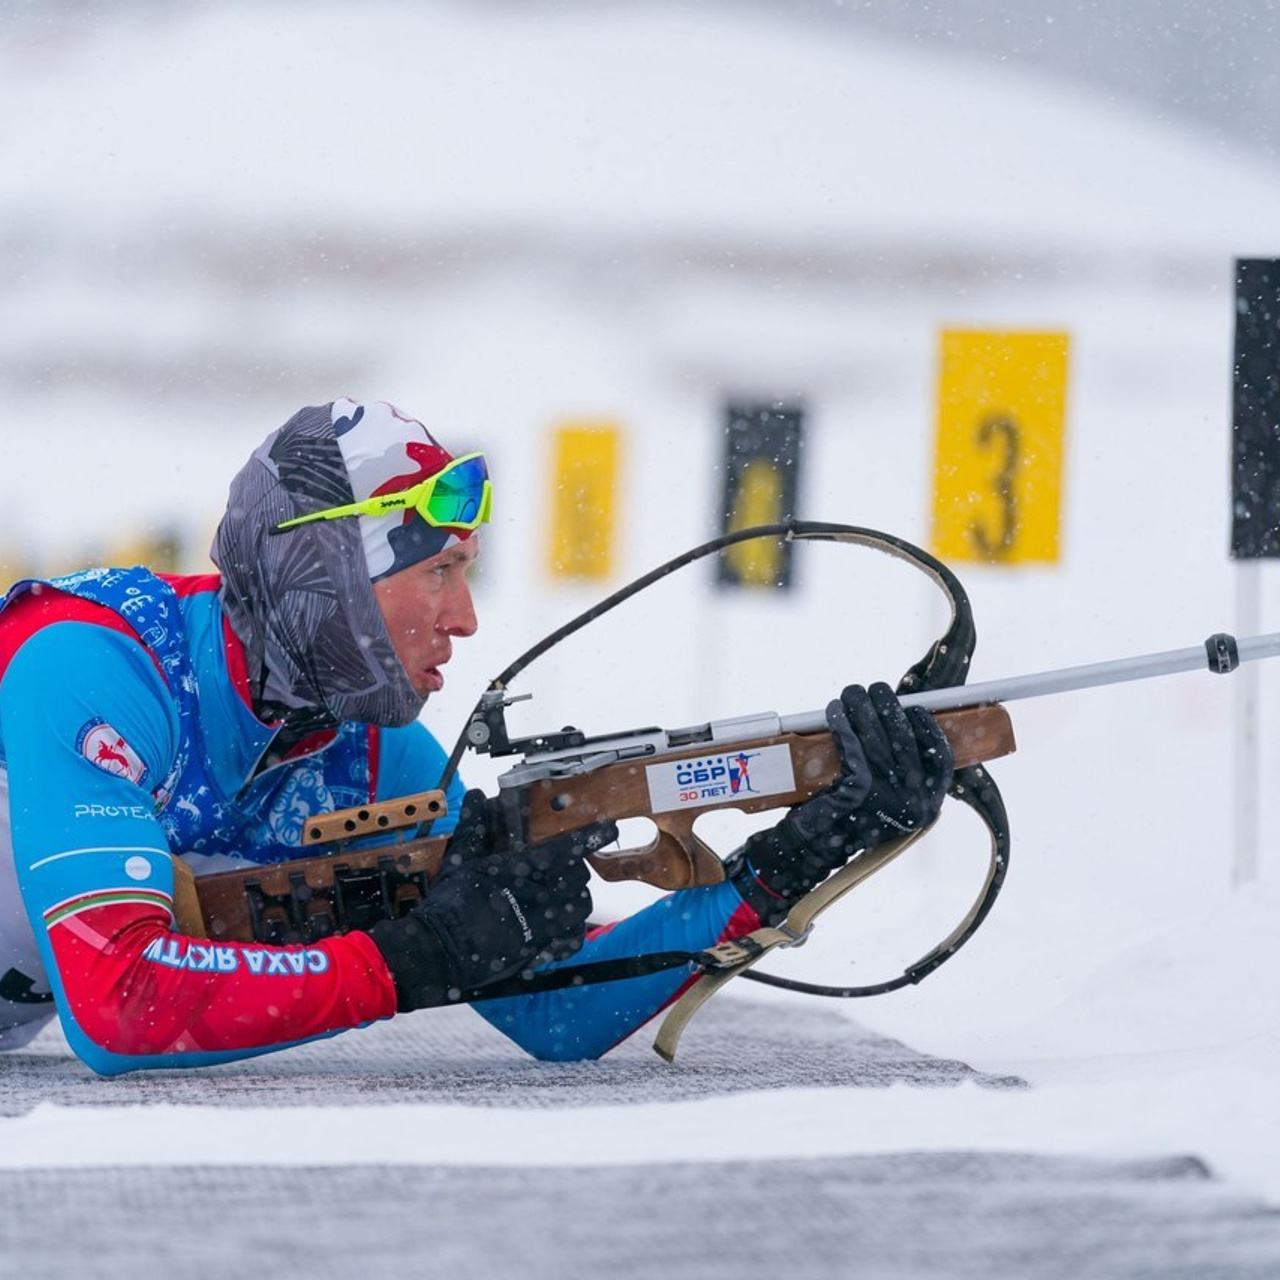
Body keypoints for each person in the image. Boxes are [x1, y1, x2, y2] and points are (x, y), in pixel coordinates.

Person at [0, 399, 953, 1075]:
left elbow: (554, 1005)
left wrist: (781, 869)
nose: (466, 620)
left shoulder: (368, 757)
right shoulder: (95, 666)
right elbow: (118, 1002)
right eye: (439, 572)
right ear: (323, 574)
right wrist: (406, 961)